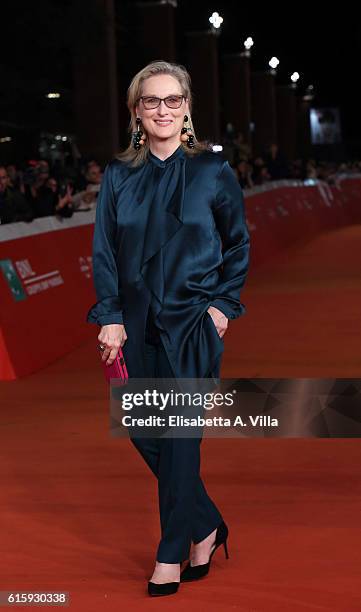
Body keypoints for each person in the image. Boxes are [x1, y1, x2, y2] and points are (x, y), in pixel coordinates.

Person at [86, 61, 250, 597]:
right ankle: (206, 524)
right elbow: (105, 251)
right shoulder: (118, 174)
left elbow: (238, 243)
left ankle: (171, 550)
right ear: (137, 111)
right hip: (134, 323)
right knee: (142, 430)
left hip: (192, 321)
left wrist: (223, 304)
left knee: (179, 439)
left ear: (186, 108)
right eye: (151, 101)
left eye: (172, 100)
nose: (163, 110)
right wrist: (109, 315)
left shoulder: (212, 171)